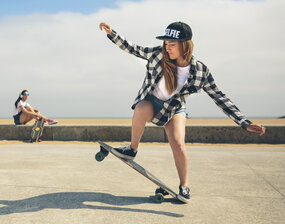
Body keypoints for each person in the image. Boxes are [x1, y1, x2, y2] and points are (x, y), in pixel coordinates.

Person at [99, 21, 266, 202]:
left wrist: (245, 123)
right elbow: (133, 49)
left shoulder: (200, 71)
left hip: (175, 108)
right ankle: (132, 149)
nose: (167, 48)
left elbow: (219, 97)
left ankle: (184, 186)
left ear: (184, 45)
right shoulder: (157, 55)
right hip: (151, 104)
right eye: (166, 43)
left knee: (178, 144)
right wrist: (112, 34)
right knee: (140, 108)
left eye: (172, 44)